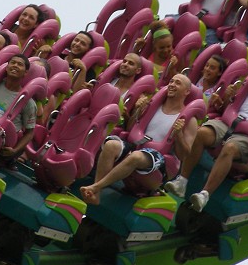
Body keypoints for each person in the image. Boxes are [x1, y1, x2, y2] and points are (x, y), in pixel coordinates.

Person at [165, 64, 248, 213]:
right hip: (228, 126)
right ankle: (182, 181)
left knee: (230, 147)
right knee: (201, 133)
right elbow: (227, 111)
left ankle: (204, 195)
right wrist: (228, 98)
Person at [79, 74, 198, 206]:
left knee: (136, 156)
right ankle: (96, 196)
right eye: (171, 81)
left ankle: (96, 187)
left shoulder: (189, 121)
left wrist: (179, 133)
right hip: (139, 148)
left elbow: (184, 155)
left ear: (187, 91)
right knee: (111, 145)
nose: (172, 85)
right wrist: (137, 111)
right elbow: (131, 130)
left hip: (161, 163)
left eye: (178, 83)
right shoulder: (153, 105)